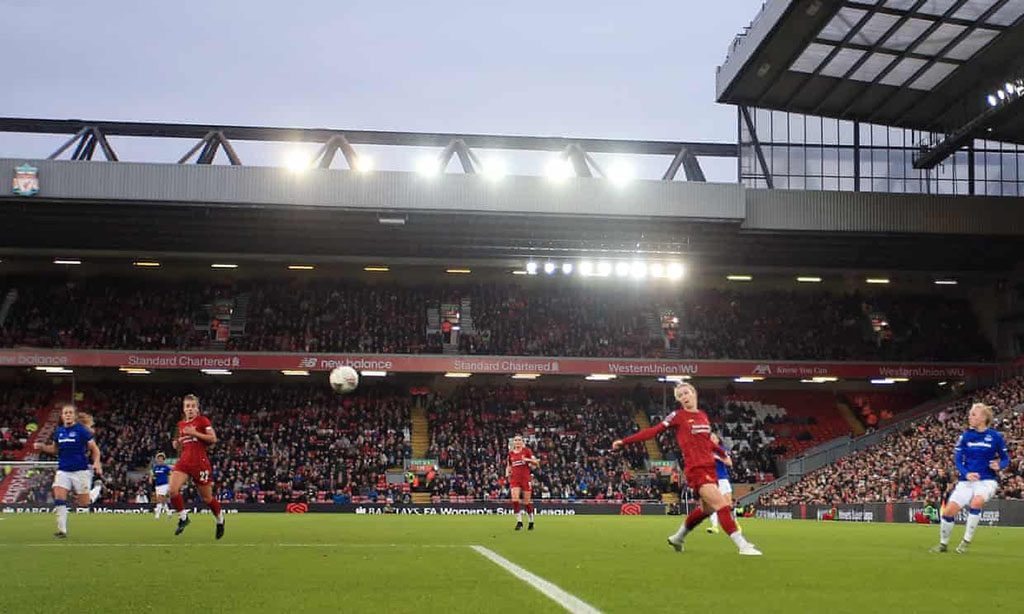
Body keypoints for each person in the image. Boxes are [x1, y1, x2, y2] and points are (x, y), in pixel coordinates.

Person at [613, 383, 761, 556]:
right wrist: (624, 441)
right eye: (680, 395)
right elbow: (653, 431)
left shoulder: (703, 416)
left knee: (707, 509)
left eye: (686, 393)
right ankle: (742, 545)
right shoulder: (678, 416)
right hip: (696, 469)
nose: (684, 397)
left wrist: (722, 453)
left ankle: (678, 537)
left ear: (694, 393)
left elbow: (707, 442)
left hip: (710, 468)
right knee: (722, 505)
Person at [931, 403, 1009, 554]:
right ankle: (943, 544)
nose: (970, 417)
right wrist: (966, 473)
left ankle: (965, 542)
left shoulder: (995, 437)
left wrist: (999, 465)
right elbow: (958, 460)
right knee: (948, 512)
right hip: (966, 481)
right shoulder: (965, 436)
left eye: (974, 414)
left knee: (976, 502)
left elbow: (1006, 459)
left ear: (984, 417)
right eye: (970, 414)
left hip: (987, 481)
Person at [32, 404, 102, 538]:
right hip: (63, 470)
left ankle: (96, 489)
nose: (68, 415)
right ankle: (62, 530)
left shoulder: (81, 430)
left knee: (84, 503)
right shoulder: (59, 431)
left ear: (74, 415)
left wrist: (97, 462)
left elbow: (94, 448)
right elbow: (55, 449)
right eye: (65, 413)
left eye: (70, 412)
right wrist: (42, 447)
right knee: (59, 496)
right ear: (62, 416)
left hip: (80, 470)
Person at [168, 394, 225, 539]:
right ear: (184, 409)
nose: (190, 409)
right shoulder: (181, 425)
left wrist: (195, 432)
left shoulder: (202, 421)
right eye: (187, 406)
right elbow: (180, 445)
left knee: (207, 499)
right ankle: (183, 517)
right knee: (172, 490)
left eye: (193, 406)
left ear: (197, 408)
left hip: (200, 463)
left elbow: (213, 439)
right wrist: (177, 444)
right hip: (184, 462)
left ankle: (220, 519)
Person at [706, 434, 740, 534]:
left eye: (714, 438)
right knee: (712, 504)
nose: (711, 439)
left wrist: (718, 458)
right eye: (710, 438)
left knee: (728, 504)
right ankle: (714, 526)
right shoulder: (705, 451)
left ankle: (735, 523)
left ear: (717, 440)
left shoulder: (721, 450)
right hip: (711, 480)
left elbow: (730, 463)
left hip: (722, 479)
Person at [507, 435, 540, 531]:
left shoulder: (527, 451)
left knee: (526, 502)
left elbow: (536, 463)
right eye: (515, 440)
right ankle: (519, 522)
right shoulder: (510, 454)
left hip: (525, 479)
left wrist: (527, 460)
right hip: (515, 479)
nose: (517, 442)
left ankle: (531, 521)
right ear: (513, 442)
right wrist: (508, 474)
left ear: (522, 442)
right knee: (515, 499)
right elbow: (509, 465)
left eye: (519, 440)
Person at [77, 412, 104, 504]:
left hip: (84, 469)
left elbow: (95, 450)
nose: (93, 430)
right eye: (91, 426)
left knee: (85, 500)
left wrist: (97, 463)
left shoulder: (88, 439)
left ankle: (97, 488)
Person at [152, 452, 172, 519]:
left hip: (164, 484)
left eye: (161, 459)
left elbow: (170, 475)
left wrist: (169, 485)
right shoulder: (155, 468)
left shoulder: (166, 467)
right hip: (157, 485)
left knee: (159, 499)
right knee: (163, 500)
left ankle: (157, 514)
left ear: (163, 460)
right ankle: (168, 512)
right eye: (159, 458)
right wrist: (153, 478)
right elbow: (154, 476)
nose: (160, 460)